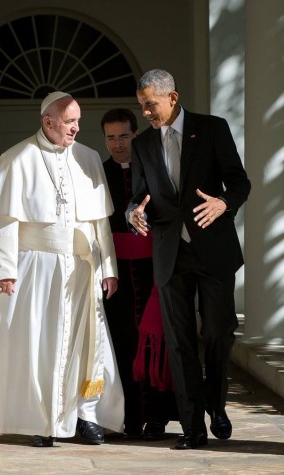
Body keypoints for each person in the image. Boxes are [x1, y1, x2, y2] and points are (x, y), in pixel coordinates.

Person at [0, 91, 124, 447]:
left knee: (87, 344)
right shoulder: (17, 158)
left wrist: (108, 267)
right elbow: (4, 221)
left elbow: (99, 223)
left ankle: (86, 415)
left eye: (78, 121)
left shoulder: (88, 158)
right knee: (39, 344)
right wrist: (5, 270)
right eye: (70, 121)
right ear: (48, 122)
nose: (77, 128)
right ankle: (40, 421)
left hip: (81, 267)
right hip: (35, 268)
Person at [126, 69, 251, 449]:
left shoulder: (212, 129)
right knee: (179, 343)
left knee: (216, 332)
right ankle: (193, 427)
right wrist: (133, 212)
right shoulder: (143, 144)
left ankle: (216, 404)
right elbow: (138, 195)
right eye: (141, 105)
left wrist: (225, 202)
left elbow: (239, 181)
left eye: (150, 104)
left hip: (213, 250)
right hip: (170, 255)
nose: (146, 112)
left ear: (172, 98)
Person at [101, 108, 177, 440]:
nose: (117, 144)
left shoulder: (153, 167)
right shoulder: (97, 173)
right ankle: (129, 417)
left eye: (123, 136)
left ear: (135, 134)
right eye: (110, 137)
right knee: (123, 344)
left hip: (152, 269)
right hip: (115, 272)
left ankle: (158, 417)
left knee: (156, 341)